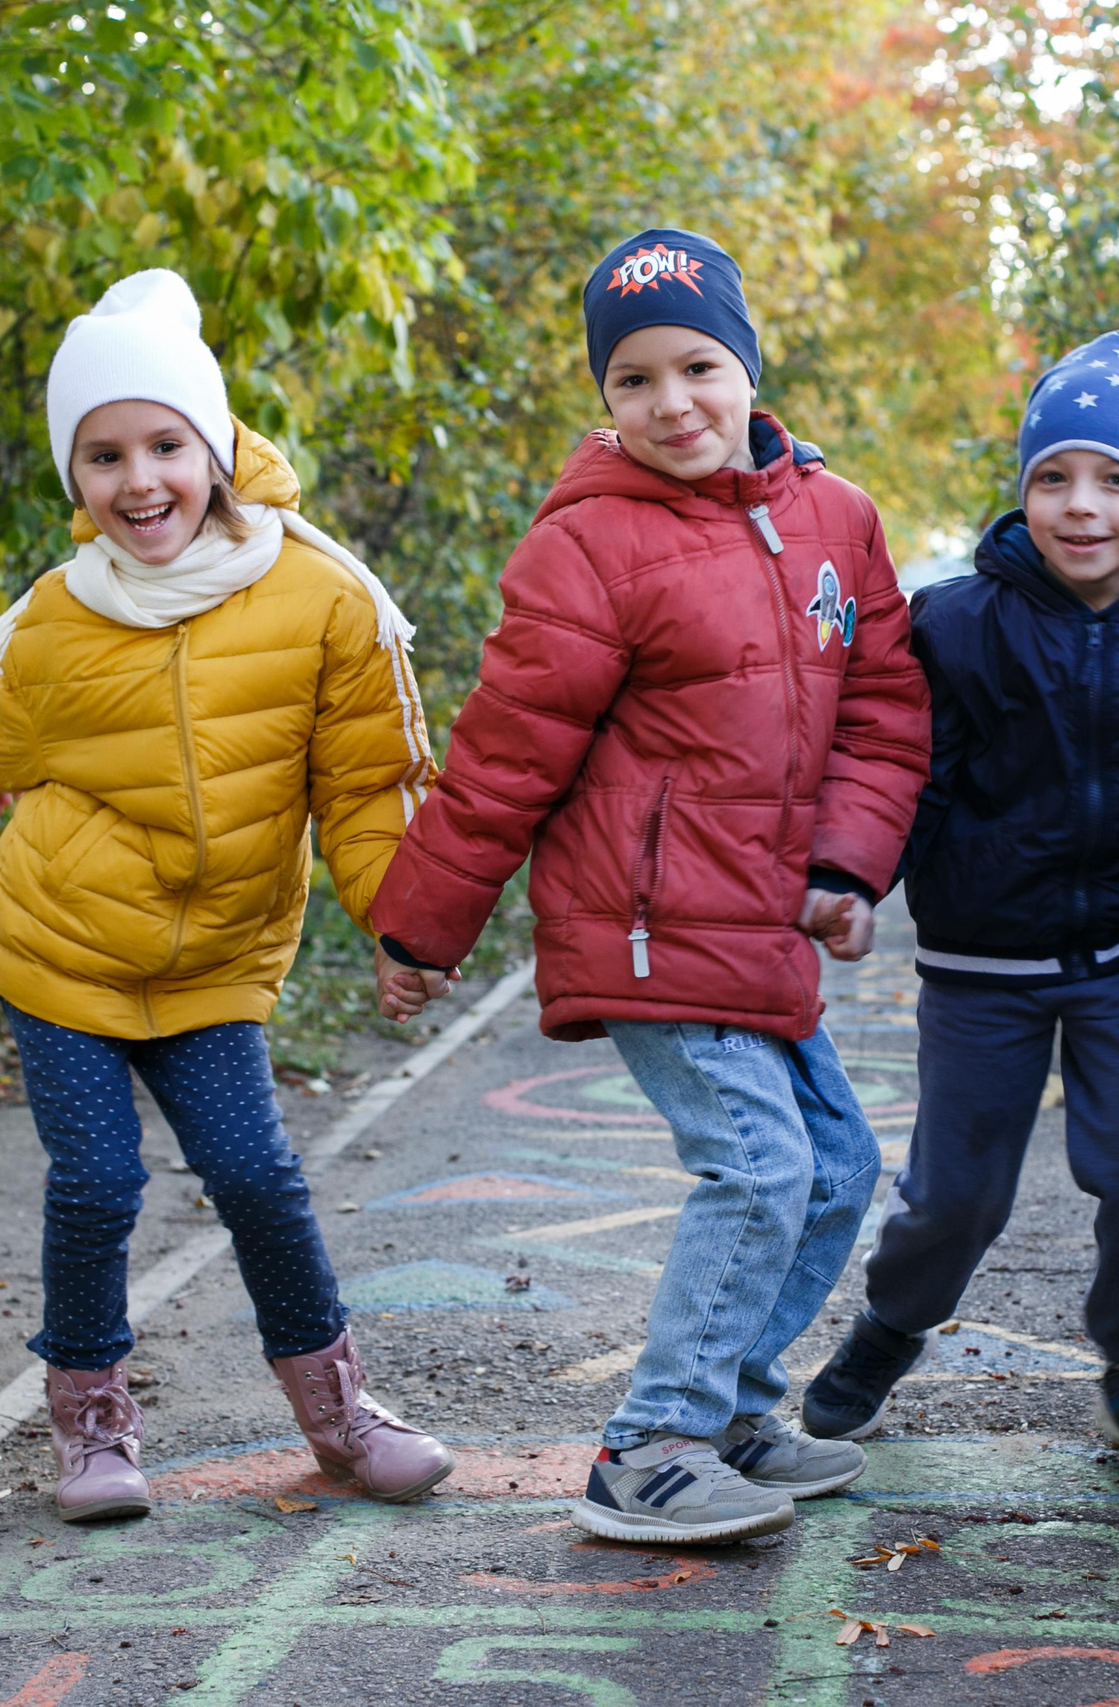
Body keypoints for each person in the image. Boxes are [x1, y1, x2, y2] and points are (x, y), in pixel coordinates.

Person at [367, 229, 932, 1545]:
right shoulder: (590, 547)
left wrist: (848, 865)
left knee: (838, 1167)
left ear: (746, 365)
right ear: (604, 398)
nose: (671, 403)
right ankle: (653, 1444)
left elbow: (885, 710)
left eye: (696, 366)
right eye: (633, 380)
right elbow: (504, 754)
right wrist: (422, 923)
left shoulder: (835, 521)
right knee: (756, 1164)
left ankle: (732, 1406)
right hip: (641, 923)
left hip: (761, 925)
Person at [0, 269, 455, 1523]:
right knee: (98, 1184)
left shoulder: (320, 597)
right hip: (62, 946)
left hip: (214, 958)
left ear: (217, 447)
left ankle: (340, 1415)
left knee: (255, 1175)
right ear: (76, 479)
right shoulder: (58, 620)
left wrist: (402, 922)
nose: (139, 482)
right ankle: (92, 1429)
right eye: (103, 455)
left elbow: (366, 784)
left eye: (165, 444)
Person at [800, 331, 1119, 1485]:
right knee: (954, 1197)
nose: (1081, 508)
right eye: (1052, 478)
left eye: (1117, 481)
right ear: (1022, 489)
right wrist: (851, 877)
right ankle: (887, 1332)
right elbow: (901, 772)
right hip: (982, 966)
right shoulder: (957, 626)